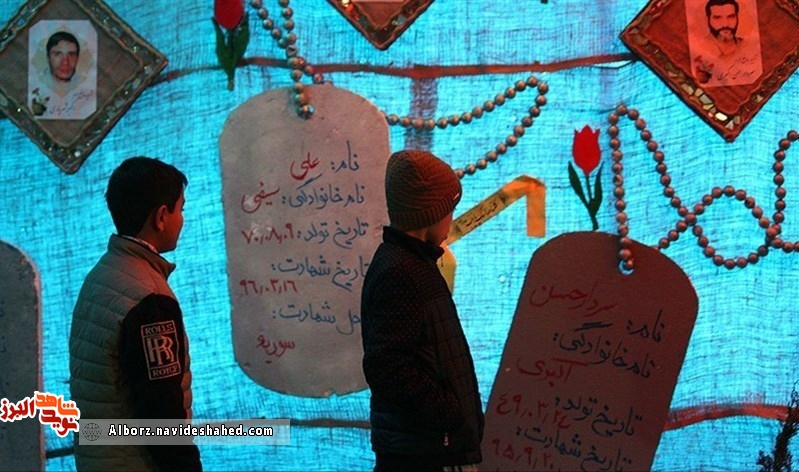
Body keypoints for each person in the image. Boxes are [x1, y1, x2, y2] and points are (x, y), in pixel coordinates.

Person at [69, 157, 201, 471]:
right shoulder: (149, 298)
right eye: (181, 209)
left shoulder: (102, 275)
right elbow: (161, 413)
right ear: (161, 217)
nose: (182, 220)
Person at [360, 150, 484, 472]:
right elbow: (387, 366)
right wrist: (448, 413)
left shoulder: (414, 263)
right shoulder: (401, 272)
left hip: (432, 447)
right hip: (424, 454)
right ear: (430, 214)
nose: (451, 219)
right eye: (450, 210)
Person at [691, 0, 762, 87]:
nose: (725, 24)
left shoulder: (747, 46)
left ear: (737, 17)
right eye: (717, 18)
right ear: (707, 19)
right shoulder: (699, 49)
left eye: (731, 17)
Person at [30, 29, 96, 119]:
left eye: (71, 54)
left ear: (77, 58)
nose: (65, 62)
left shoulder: (86, 86)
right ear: (48, 57)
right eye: (58, 54)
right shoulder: (37, 85)